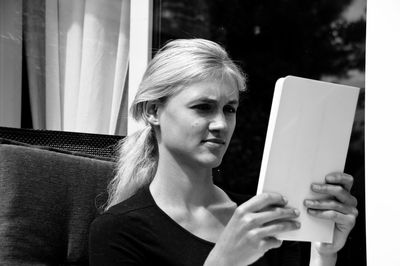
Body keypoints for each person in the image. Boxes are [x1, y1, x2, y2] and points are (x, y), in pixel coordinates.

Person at [89, 38, 358, 266]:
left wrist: (324, 254)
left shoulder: (261, 219)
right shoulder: (120, 231)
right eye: (203, 107)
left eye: (229, 109)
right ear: (153, 111)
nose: (221, 124)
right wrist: (224, 259)